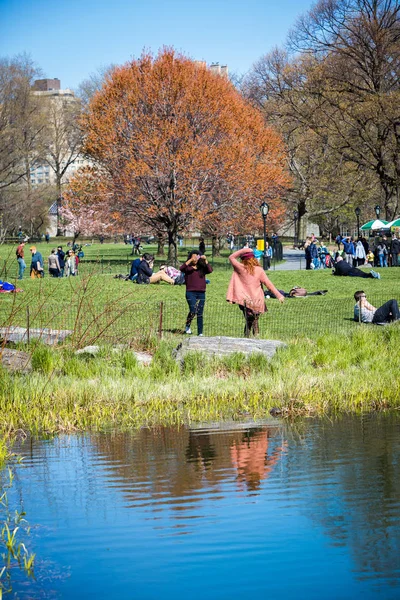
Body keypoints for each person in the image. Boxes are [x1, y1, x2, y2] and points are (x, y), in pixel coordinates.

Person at [226, 247, 284, 337]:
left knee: (249, 320)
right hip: (257, 301)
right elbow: (269, 284)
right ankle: (255, 337)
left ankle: (248, 338)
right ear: (253, 258)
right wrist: (279, 295)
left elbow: (231, 257)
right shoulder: (259, 270)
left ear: (243, 260)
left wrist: (244, 250)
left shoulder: (240, 268)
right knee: (254, 320)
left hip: (245, 301)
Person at [180, 251, 213, 336]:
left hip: (201, 292)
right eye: (193, 257)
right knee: (193, 310)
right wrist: (190, 260)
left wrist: (205, 260)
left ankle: (200, 332)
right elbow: (181, 268)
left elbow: (210, 270)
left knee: (200, 312)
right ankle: (187, 326)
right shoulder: (188, 268)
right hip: (190, 292)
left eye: (196, 257)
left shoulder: (202, 268)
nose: (195, 259)